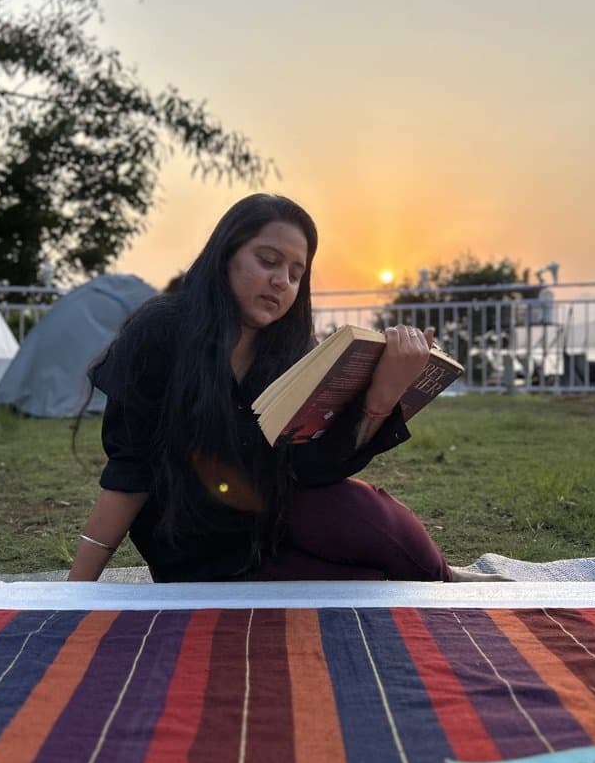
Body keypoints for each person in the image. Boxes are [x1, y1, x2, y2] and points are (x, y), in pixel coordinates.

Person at [69, 193, 488, 583]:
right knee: (370, 585)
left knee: (363, 510)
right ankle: (448, 583)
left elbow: (311, 469)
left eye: (295, 272)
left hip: (277, 524)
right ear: (226, 254)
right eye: (268, 260)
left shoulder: (292, 349)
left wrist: (382, 396)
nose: (282, 281)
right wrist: (76, 593)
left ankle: (447, 582)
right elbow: (130, 469)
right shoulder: (160, 330)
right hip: (196, 550)